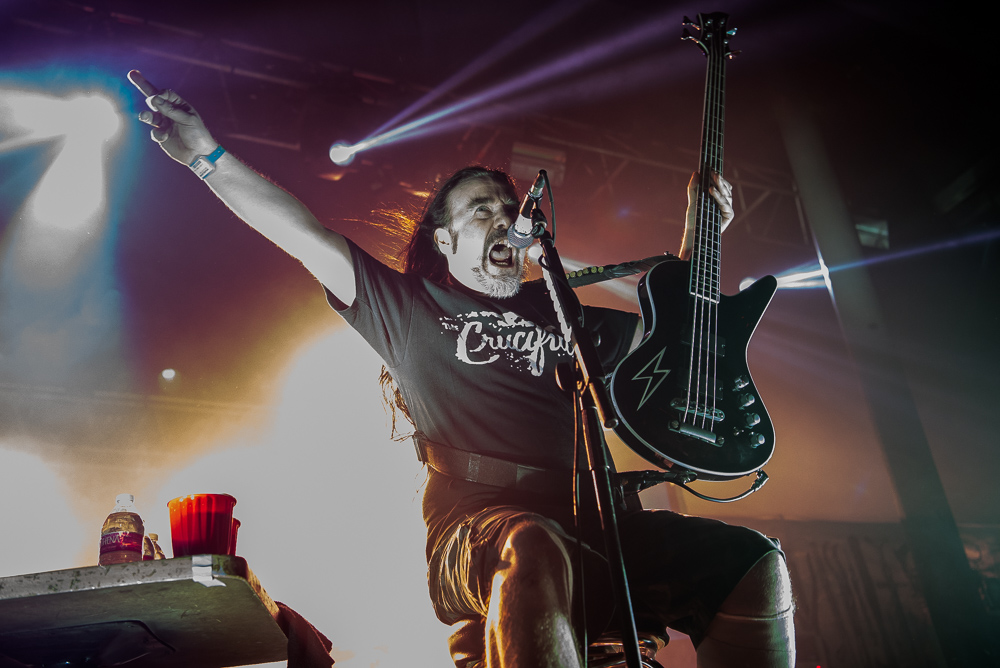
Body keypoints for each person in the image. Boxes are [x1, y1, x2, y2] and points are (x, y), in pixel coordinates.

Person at [128, 69, 795, 668]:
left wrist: (700, 234)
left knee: (754, 564)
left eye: (510, 210)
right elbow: (304, 235)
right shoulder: (408, 308)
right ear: (444, 241)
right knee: (533, 545)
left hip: (597, 523)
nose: (504, 220)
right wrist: (207, 157)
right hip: (477, 528)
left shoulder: (566, 312)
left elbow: (681, 341)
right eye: (482, 211)